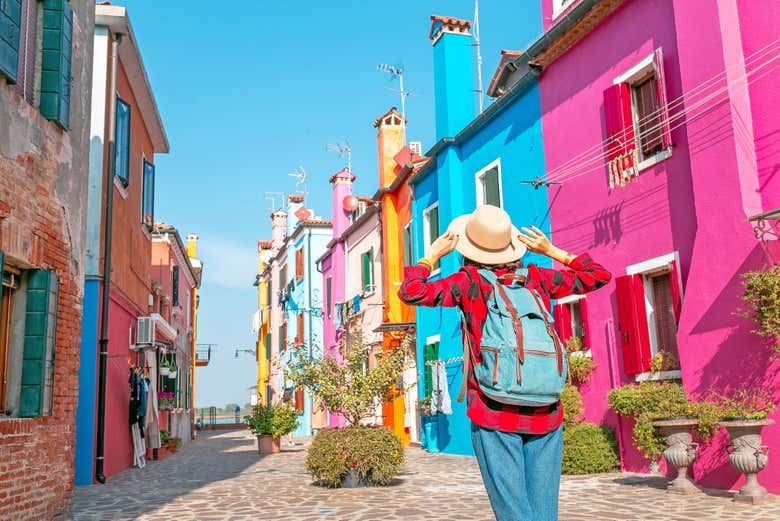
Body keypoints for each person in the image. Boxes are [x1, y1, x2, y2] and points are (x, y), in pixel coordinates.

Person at [399, 205, 611, 521]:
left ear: (470, 248)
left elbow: (412, 292)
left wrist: (430, 257)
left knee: (513, 513)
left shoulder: (468, 282)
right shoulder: (538, 278)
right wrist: (551, 250)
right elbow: (598, 276)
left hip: (493, 411)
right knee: (543, 514)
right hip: (546, 411)